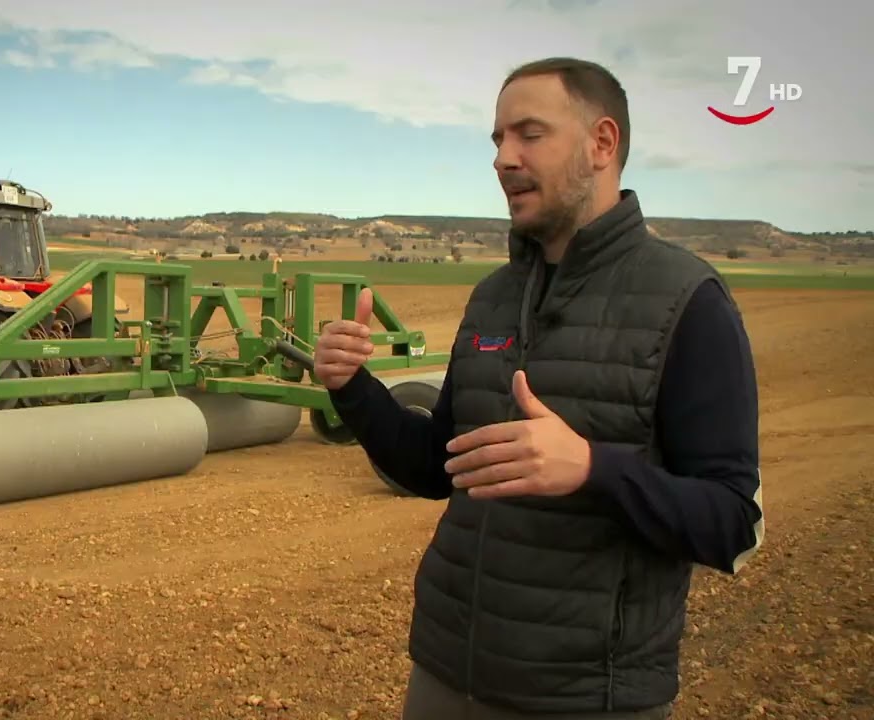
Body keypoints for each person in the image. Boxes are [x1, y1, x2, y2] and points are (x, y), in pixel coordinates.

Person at [313, 57, 764, 719]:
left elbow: (732, 523)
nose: (504, 158)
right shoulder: (494, 297)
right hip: (444, 672)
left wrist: (592, 469)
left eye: (529, 134)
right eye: (498, 139)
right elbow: (438, 467)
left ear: (601, 143)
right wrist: (353, 388)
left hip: (584, 698)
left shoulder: (687, 302)